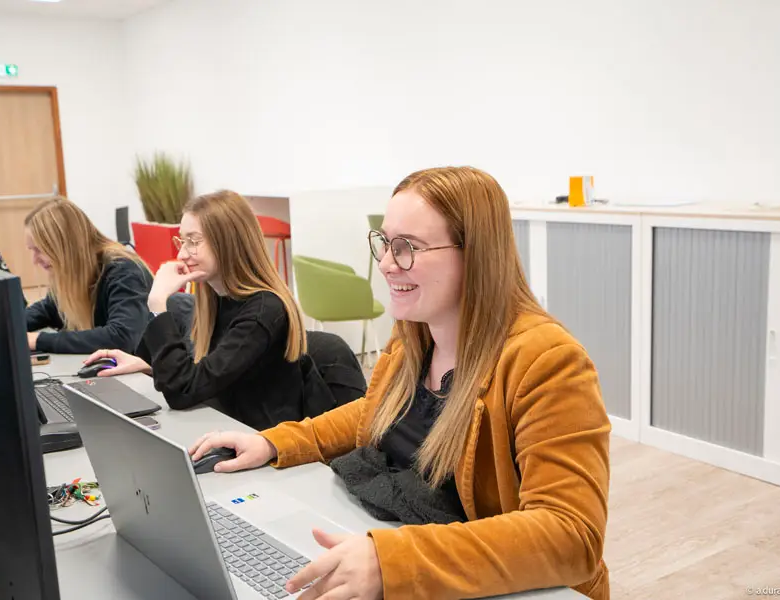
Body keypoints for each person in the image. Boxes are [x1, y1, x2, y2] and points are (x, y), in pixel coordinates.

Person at [189, 167, 611, 600]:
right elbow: (374, 411)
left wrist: (391, 561)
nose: (387, 264)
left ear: (476, 254)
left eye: (408, 247)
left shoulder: (548, 362)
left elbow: (572, 534)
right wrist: (275, 443)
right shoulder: (415, 332)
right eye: (385, 243)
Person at [83, 190, 366, 430]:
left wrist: (159, 306)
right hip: (229, 427)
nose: (182, 253)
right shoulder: (216, 297)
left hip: (265, 448)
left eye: (194, 241)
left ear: (228, 243)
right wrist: (149, 366)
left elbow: (183, 391)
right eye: (182, 241)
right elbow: (210, 376)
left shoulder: (264, 309)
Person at [25, 196, 154, 355]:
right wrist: (5, 327)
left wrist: (38, 340)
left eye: (39, 249)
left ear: (64, 246)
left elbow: (121, 337)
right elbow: (48, 310)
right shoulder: (75, 273)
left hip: (142, 375)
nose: (34, 260)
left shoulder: (124, 271)